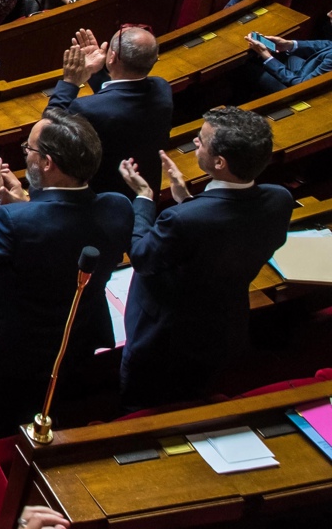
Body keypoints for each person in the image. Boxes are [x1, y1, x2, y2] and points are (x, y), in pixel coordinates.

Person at [0, 109, 131, 437]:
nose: (26, 154)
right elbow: (54, 226)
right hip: (72, 343)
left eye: (29, 150)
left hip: (5, 354)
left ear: (48, 163)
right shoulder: (118, 208)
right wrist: (25, 202)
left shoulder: (16, 221)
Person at [116, 107, 293, 407]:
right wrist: (188, 201)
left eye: (201, 140)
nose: (196, 143)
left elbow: (143, 257)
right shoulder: (280, 199)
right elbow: (228, 234)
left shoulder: (184, 220)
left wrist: (144, 198)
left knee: (141, 409)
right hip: (223, 329)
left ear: (220, 162)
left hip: (165, 339)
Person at [47, 26, 173, 197]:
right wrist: (96, 72)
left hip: (103, 202)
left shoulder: (86, 109)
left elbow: (48, 131)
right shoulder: (162, 89)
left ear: (112, 57)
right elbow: (118, 101)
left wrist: (70, 82)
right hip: (144, 194)